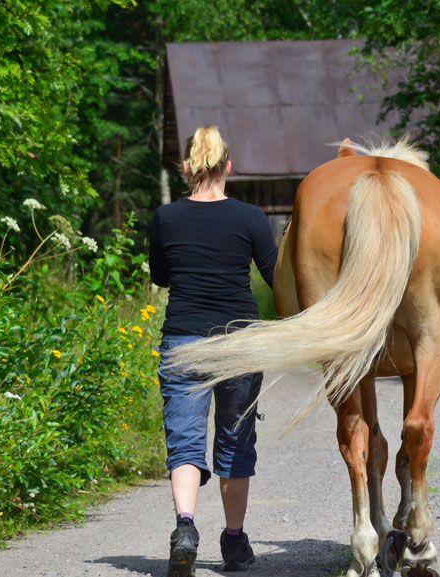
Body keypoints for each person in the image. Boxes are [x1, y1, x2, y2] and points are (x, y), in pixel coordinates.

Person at [149, 125, 278, 576]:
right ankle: (234, 542)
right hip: (239, 342)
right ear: (228, 167)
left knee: (185, 441)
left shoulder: (165, 219)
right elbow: (276, 276)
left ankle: (185, 528)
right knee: (235, 441)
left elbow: (162, 277)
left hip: (183, 339)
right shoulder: (251, 218)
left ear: (185, 168)